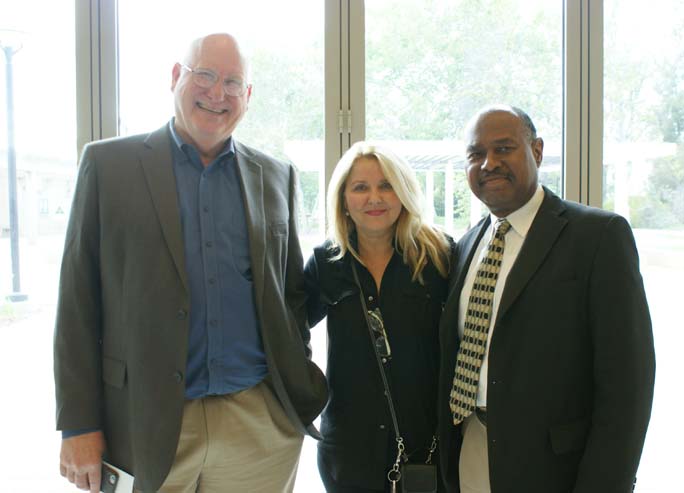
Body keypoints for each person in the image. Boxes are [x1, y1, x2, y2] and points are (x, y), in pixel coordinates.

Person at [53, 33, 327, 493]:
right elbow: (77, 302)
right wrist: (78, 425)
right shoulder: (108, 165)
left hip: (258, 423)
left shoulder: (277, 176)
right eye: (204, 75)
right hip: (144, 421)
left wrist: (292, 393)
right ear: (177, 76)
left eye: (233, 82)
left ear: (249, 96)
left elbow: (289, 296)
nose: (217, 93)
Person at [437, 105, 655, 492]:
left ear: (536, 151)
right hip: (470, 448)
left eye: (504, 148)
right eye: (476, 154)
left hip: (556, 469)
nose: (489, 163)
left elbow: (627, 385)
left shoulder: (598, 236)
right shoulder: (466, 245)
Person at [304, 142, 451, 492]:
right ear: (343, 199)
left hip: (425, 444)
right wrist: (308, 394)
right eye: (360, 187)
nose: (375, 198)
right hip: (349, 447)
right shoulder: (326, 263)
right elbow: (287, 333)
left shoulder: (440, 256)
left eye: (386, 185)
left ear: (403, 192)